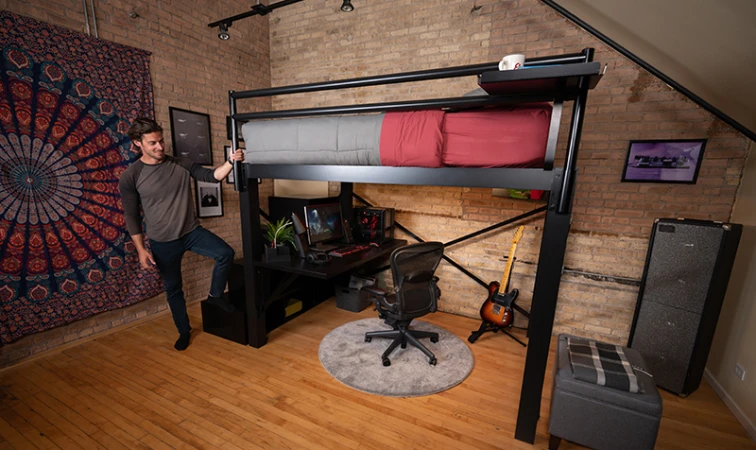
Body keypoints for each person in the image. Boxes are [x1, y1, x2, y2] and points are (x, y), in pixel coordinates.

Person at [118, 117, 244, 351]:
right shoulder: (131, 176)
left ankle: (215, 296)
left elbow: (212, 177)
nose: (160, 147)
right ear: (138, 143)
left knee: (225, 253)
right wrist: (141, 249)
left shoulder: (181, 163)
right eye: (153, 143)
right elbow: (131, 216)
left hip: (191, 232)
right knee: (174, 288)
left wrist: (230, 161)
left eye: (162, 141)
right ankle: (184, 331)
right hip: (162, 242)